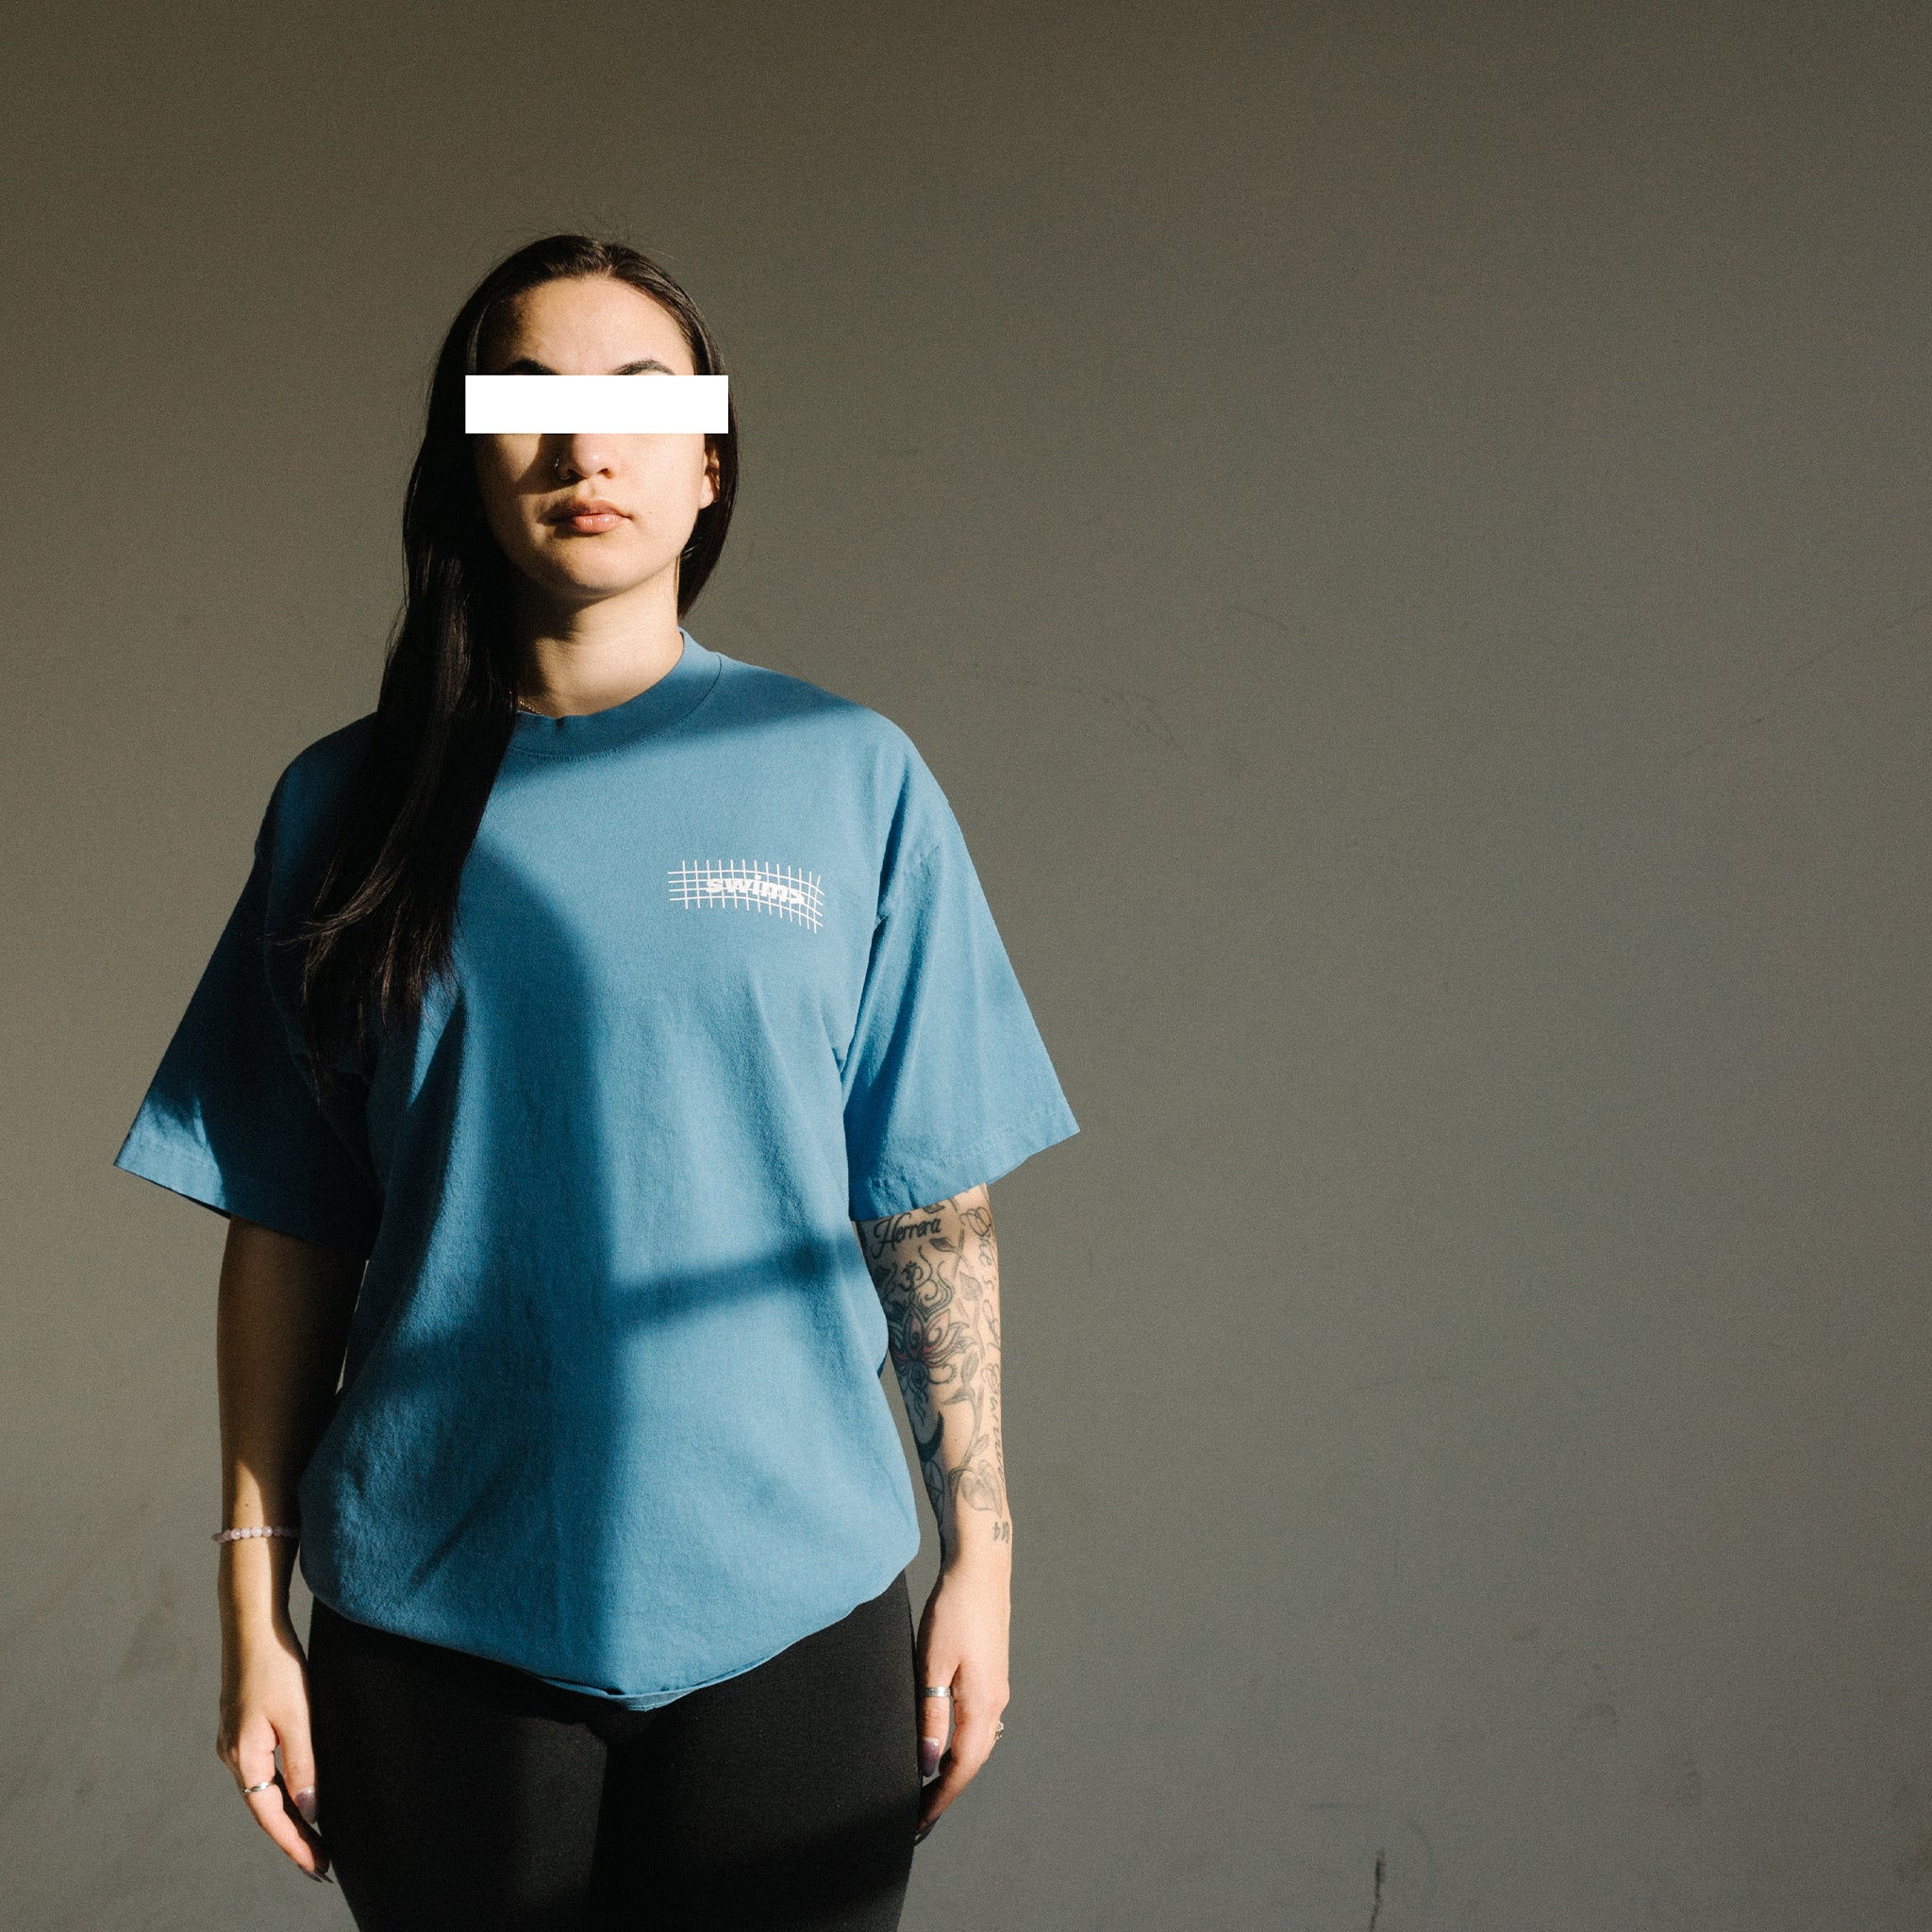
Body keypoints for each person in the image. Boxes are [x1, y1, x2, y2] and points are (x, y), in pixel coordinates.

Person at [110, 233, 1077, 1930]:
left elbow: (932, 1203)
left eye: (643, 399)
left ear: (711, 466)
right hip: (434, 1616)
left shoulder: (844, 777)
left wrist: (981, 1558)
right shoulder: (345, 809)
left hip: (795, 1604)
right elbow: (286, 1226)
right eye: (525, 400)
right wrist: (252, 1611)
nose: (582, 443)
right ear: (466, 463)